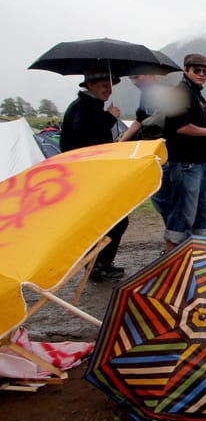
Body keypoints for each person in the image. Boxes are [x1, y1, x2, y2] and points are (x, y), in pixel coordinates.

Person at [59, 69, 128, 280]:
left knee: (111, 220)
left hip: (93, 173)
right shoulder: (83, 107)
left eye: (110, 85)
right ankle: (98, 265)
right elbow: (86, 137)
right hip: (88, 175)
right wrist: (109, 118)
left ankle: (100, 263)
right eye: (103, 85)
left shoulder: (90, 106)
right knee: (113, 220)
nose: (108, 89)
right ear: (90, 85)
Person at [159, 54, 206, 252]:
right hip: (184, 163)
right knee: (182, 214)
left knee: (203, 214)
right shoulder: (180, 93)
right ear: (186, 70)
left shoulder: (195, 94)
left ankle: (201, 257)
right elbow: (181, 127)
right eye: (196, 70)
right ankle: (170, 258)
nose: (201, 74)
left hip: (199, 161)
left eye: (205, 71)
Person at [118, 74, 163, 142]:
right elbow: (139, 120)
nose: (134, 82)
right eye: (131, 79)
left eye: (136, 77)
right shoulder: (145, 94)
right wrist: (120, 143)